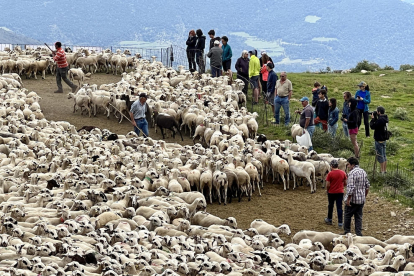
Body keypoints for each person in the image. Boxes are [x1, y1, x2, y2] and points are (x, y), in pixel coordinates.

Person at [343, 156, 370, 236]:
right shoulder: (363, 172)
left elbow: (351, 188)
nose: (347, 167)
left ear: (352, 165)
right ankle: (358, 233)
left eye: (348, 165)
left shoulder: (352, 173)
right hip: (361, 199)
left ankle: (347, 232)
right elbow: (367, 185)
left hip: (353, 200)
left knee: (347, 215)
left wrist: (348, 200)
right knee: (358, 217)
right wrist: (364, 196)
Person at [324, 159, 347, 228]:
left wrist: (328, 190)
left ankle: (329, 219)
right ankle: (340, 222)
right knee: (339, 207)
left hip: (331, 192)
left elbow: (328, 184)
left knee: (330, 206)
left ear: (331, 166)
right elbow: (345, 183)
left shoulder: (330, 174)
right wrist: (341, 186)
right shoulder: (343, 173)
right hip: (340, 192)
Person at [370, 106, 389, 174]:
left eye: (377, 111)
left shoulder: (380, 120)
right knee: (384, 155)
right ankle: (384, 170)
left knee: (380, 156)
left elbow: (373, 126)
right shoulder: (385, 118)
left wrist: (372, 119)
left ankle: (382, 171)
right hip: (384, 139)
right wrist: (376, 118)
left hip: (379, 139)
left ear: (379, 112)